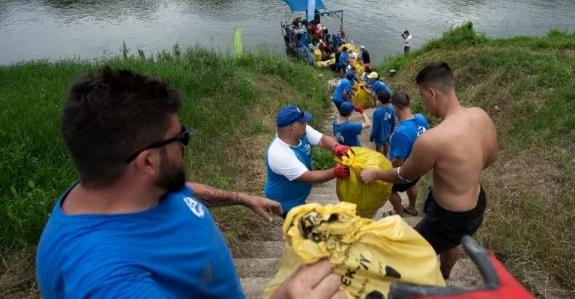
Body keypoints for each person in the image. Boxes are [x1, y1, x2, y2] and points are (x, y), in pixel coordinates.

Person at [36, 67, 345, 299]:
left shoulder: (128, 187)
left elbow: (183, 192)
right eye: (180, 136)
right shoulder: (106, 280)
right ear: (147, 161)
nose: (185, 144)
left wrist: (242, 198)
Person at [359, 62, 498, 280]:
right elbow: (491, 157)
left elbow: (405, 174)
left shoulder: (433, 139)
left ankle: (420, 288)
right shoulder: (481, 116)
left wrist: (375, 174)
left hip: (447, 218)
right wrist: (462, 174)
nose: (423, 102)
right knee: (453, 242)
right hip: (477, 204)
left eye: (423, 96)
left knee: (404, 256)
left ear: (432, 93)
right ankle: (443, 277)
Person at [264, 106, 351, 215]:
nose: (306, 123)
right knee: (312, 230)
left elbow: (322, 140)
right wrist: (335, 172)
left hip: (297, 196)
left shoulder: (302, 131)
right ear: (293, 128)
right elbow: (309, 177)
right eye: (303, 122)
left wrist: (336, 147)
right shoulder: (278, 153)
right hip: (284, 203)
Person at [382, 91, 429, 217]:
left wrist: (383, 169)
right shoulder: (420, 118)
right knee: (412, 185)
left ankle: (399, 214)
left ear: (394, 108)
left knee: (388, 188)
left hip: (405, 171)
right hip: (418, 169)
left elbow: (398, 161)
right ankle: (412, 208)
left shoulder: (401, 132)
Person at [369, 90, 396, 157]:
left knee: (378, 147)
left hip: (379, 135)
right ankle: (385, 156)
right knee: (386, 144)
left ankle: (380, 159)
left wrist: (372, 136)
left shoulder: (377, 112)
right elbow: (393, 121)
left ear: (380, 101)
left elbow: (375, 128)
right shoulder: (391, 109)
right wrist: (391, 131)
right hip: (388, 132)